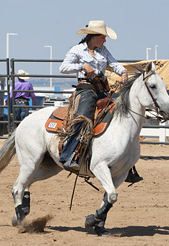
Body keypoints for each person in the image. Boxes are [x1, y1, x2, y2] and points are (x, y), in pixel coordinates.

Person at [59, 20, 142, 183]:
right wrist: (82, 66)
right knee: (84, 118)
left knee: (123, 113)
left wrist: (123, 72)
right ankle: (68, 155)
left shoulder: (103, 50)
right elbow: (63, 67)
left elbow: (114, 63)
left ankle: (127, 164)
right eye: (103, 37)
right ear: (94, 36)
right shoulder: (77, 50)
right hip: (86, 89)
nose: (105, 40)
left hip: (102, 89)